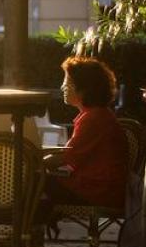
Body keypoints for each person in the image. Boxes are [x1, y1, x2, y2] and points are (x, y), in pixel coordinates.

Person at [43, 56, 128, 209]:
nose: (63, 87)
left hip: (97, 192)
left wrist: (30, 161)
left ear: (84, 89)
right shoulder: (97, 115)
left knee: (32, 181)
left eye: (67, 82)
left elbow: (66, 156)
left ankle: (26, 229)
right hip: (101, 189)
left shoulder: (93, 119)